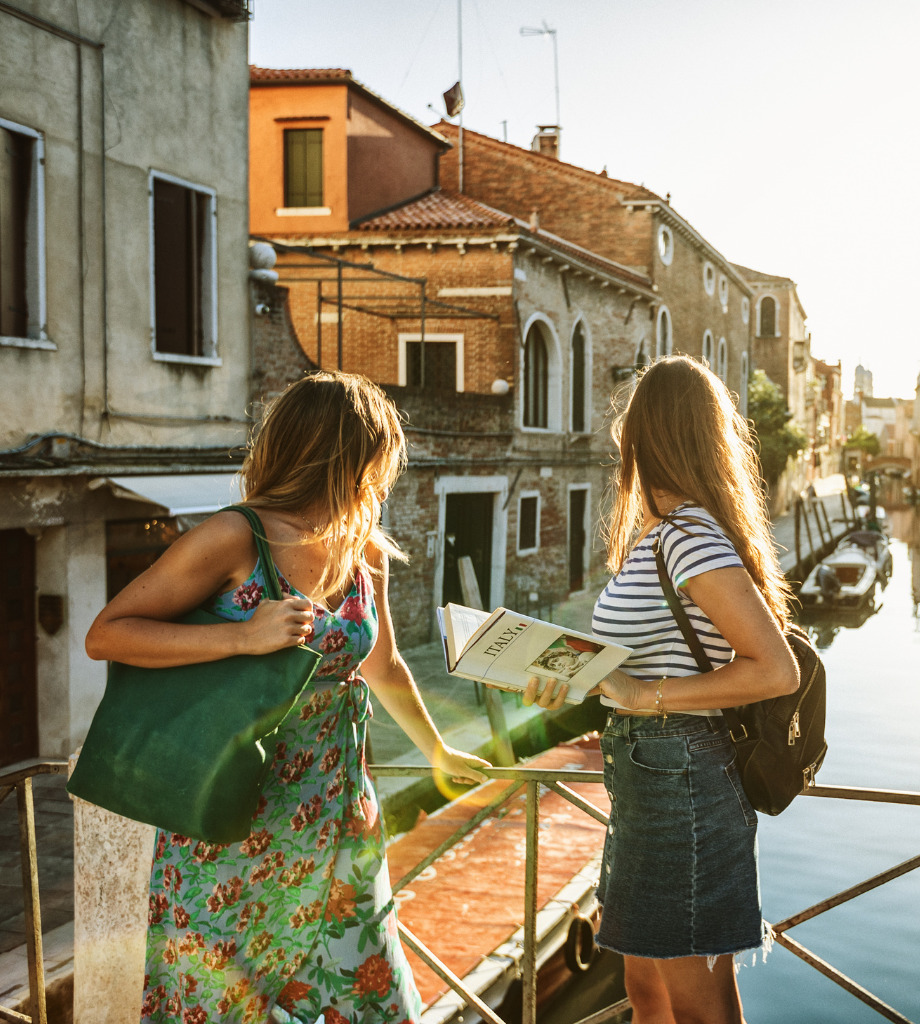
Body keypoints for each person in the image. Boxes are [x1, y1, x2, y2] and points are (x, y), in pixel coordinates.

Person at [85, 371, 490, 1024]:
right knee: (225, 1003)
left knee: (361, 994)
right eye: (379, 459)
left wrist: (437, 749)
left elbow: (381, 663)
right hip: (231, 819)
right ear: (345, 456)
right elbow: (108, 635)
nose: (383, 478)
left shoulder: (364, 548)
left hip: (339, 820)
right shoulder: (234, 536)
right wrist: (242, 640)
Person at [523, 355, 798, 1024]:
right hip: (645, 777)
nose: (620, 433)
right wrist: (574, 680)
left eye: (629, 419)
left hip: (684, 782)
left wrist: (641, 696)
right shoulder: (656, 538)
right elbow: (640, 666)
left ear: (650, 434)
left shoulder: (689, 539)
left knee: (700, 1006)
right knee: (646, 988)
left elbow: (773, 668)